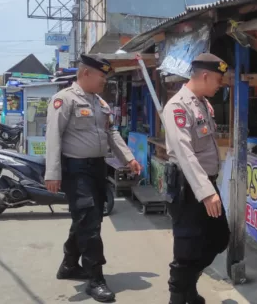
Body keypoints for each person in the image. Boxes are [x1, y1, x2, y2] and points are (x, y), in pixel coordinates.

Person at [45, 54, 142, 303]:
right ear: (86, 73)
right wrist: (53, 173)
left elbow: (112, 133)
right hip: (76, 170)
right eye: (102, 76)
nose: (104, 81)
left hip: (98, 168)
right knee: (90, 223)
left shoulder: (100, 103)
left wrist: (128, 158)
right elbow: (53, 138)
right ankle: (95, 278)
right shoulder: (64, 100)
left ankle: (68, 265)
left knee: (88, 218)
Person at [162, 53, 231, 304]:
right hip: (187, 186)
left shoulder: (202, 104)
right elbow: (185, 153)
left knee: (218, 237)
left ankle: (187, 287)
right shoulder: (177, 107)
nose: (219, 85)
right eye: (218, 80)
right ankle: (179, 296)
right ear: (204, 76)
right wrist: (206, 191)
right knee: (187, 246)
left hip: (206, 184)